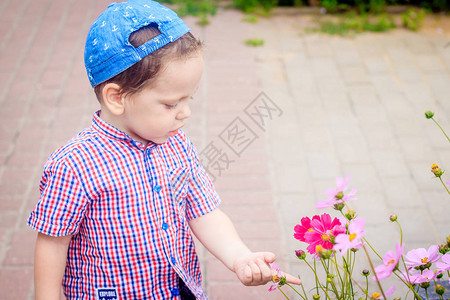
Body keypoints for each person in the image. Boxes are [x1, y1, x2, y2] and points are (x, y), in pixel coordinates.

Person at [28, 0, 301, 299]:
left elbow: (204, 210)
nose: (185, 113)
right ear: (116, 97)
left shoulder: (176, 144)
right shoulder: (74, 166)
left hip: (176, 289)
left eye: (189, 99)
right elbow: (53, 243)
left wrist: (239, 257)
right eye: (171, 104)